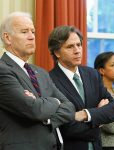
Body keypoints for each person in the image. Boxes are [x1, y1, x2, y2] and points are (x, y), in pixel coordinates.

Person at [0, 12, 76, 150]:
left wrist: (46, 118)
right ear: (7, 37)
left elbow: (69, 107)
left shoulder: (41, 72)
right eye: (24, 32)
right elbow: (33, 109)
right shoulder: (2, 70)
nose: (32, 36)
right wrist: (55, 101)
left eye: (33, 31)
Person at [48, 25, 114, 150]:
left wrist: (86, 114)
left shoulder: (92, 74)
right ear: (57, 52)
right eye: (70, 46)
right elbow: (67, 128)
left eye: (79, 45)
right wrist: (98, 120)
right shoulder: (49, 80)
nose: (77, 50)